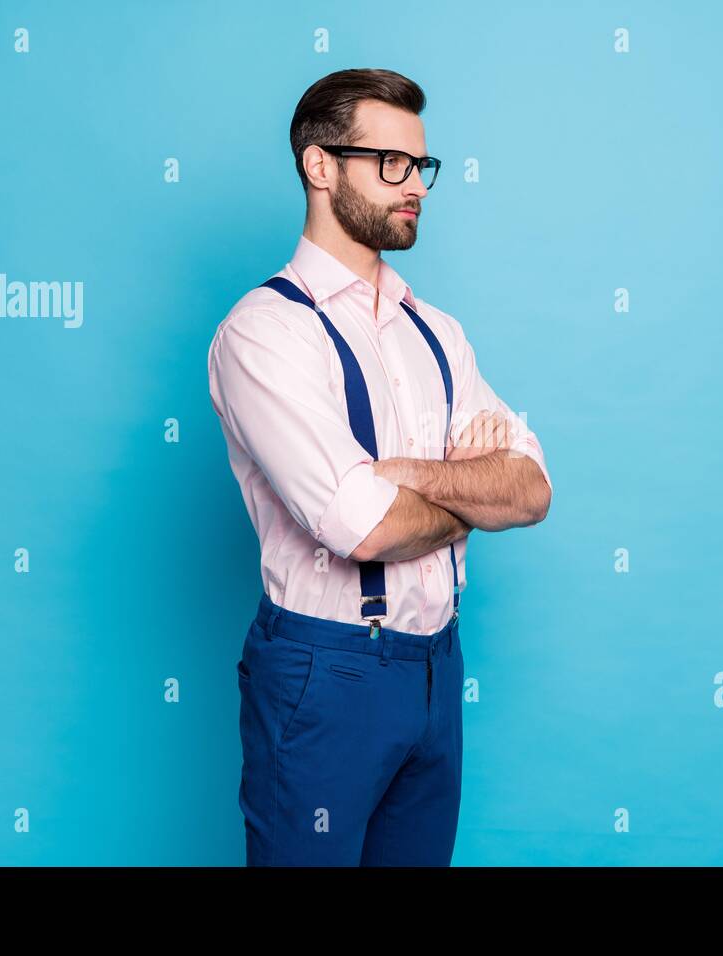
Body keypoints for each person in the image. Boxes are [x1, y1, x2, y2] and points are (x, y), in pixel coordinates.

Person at [207, 68, 553, 866]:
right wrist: (469, 490)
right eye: (390, 163)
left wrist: (406, 472)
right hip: (325, 675)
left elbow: (531, 489)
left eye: (421, 166)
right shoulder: (265, 335)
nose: (417, 187)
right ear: (319, 166)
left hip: (437, 665)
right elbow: (364, 524)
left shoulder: (435, 331)